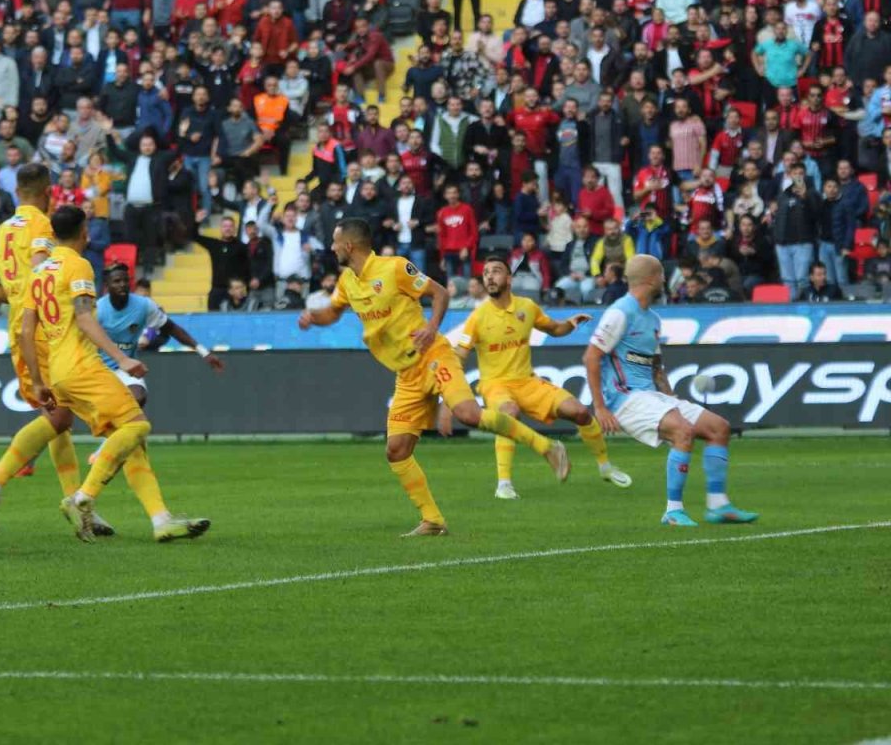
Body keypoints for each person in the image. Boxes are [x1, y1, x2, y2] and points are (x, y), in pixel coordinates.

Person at [298, 218, 569, 537]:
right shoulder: (347, 281)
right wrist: (313, 318)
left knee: (468, 414)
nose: (330, 247)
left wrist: (431, 327)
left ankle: (548, 447)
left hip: (433, 356)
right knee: (396, 449)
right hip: (407, 374)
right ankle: (433, 520)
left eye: (334, 241)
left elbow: (439, 293)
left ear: (349, 246)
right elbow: (333, 312)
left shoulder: (395, 268)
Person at [30, 205, 210, 543]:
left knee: (132, 443)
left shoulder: (38, 272)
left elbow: (28, 330)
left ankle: (161, 520)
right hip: (82, 366)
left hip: (56, 369)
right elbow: (85, 318)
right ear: (84, 231)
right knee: (138, 424)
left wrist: (38, 380)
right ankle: (83, 497)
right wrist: (122, 360)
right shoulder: (79, 265)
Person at [0, 164, 108, 534]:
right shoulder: (43, 227)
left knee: (58, 421)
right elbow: (40, 272)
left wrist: (19, 300)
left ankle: (78, 503)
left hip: (19, 328)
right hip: (46, 331)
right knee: (62, 417)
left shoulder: (1, 232)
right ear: (48, 191)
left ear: (17, 191)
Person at [583, 254, 758, 527]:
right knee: (682, 431)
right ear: (651, 279)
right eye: (663, 275)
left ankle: (718, 506)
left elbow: (655, 366)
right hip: (626, 398)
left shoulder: (652, 318)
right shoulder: (620, 312)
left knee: (718, 428)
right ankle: (673, 511)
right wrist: (600, 407)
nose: (666, 279)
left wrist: (671, 396)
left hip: (652, 395)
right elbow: (591, 357)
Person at [457, 256, 632, 500]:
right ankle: (504, 484)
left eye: (496, 271)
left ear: (509, 279)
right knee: (508, 413)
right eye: (486, 273)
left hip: (528, 382)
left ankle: (605, 466)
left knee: (580, 412)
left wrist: (569, 324)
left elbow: (554, 328)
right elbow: (460, 354)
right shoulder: (477, 317)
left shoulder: (527, 307)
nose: (489, 276)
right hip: (495, 385)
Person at [96, 264, 224, 411]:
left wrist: (204, 352)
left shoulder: (143, 305)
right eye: (117, 281)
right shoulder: (97, 309)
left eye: (126, 280)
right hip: (98, 368)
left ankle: (119, 430)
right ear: (106, 286)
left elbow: (172, 328)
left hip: (126, 368)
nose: (123, 285)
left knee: (138, 397)